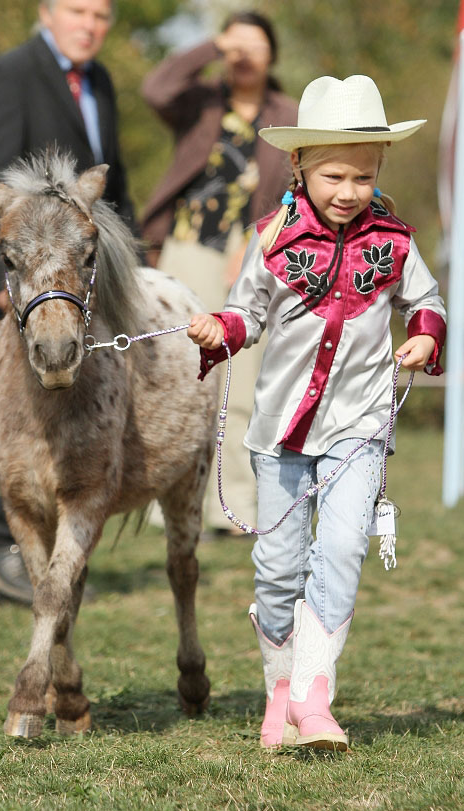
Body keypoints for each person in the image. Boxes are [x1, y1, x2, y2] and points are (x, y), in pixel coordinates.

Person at [187, 75, 446, 750]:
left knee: (337, 554)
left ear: (377, 173)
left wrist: (422, 332)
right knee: (276, 571)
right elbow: (244, 313)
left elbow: (426, 299)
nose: (347, 191)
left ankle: (313, 698)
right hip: (279, 432)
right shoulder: (271, 240)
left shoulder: (392, 242)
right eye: (333, 175)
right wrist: (220, 329)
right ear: (298, 166)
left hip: (358, 428)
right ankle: (280, 692)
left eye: (362, 177)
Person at [0, 0, 135, 602]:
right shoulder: (11, 73)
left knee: (74, 412)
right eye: (77, 10)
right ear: (47, 11)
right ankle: (0, 539)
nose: (90, 24)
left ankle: (43, 538)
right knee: (27, 417)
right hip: (31, 280)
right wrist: (0, 281)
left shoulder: (101, 80)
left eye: (101, 14)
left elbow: (112, 189)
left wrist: (130, 264)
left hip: (84, 273)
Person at [140, 11, 298, 534]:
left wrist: (257, 242)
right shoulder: (201, 101)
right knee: (183, 372)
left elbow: (296, 189)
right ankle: (170, 502)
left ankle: (233, 509)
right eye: (238, 42)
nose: (246, 52)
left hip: (254, 251)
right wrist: (212, 45)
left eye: (257, 42)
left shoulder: (288, 114)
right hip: (188, 246)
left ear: (272, 52)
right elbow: (156, 87)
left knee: (244, 379)